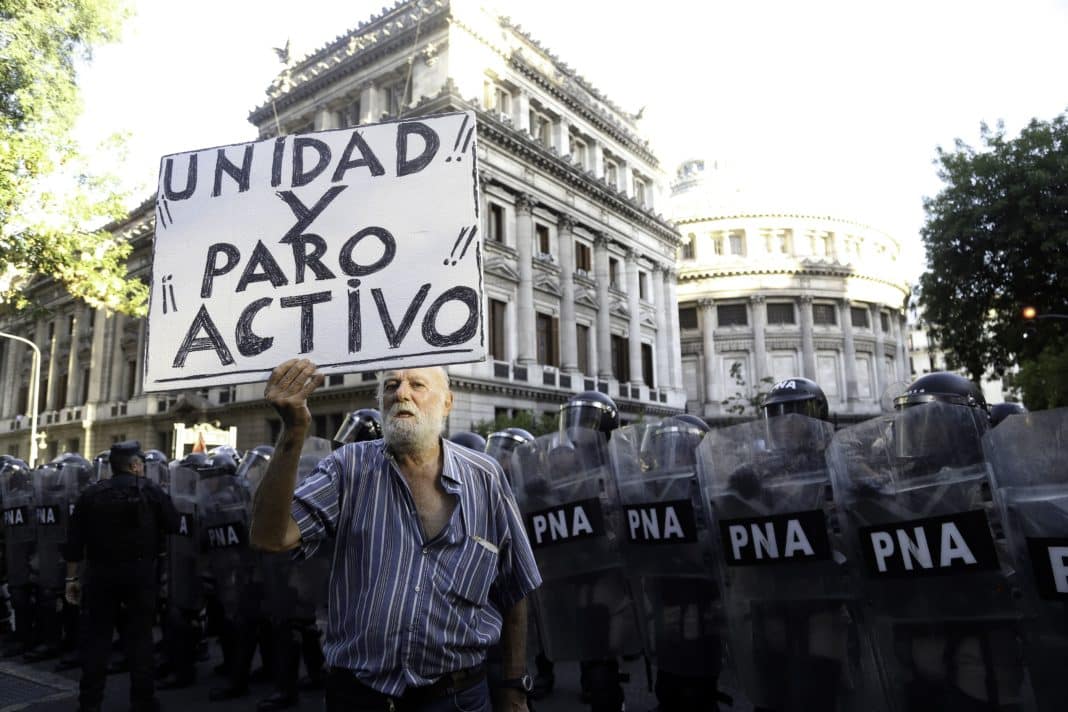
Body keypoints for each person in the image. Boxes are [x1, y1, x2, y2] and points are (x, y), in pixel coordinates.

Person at [250, 359, 541, 712]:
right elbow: (270, 537)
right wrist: (293, 432)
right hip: (360, 696)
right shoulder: (348, 467)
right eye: (390, 386)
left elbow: (515, 587)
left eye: (417, 385)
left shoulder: (486, 477)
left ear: (447, 402)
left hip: (458, 698)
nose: (401, 393)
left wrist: (514, 688)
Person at [64, 440, 179, 712]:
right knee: (140, 640)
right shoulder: (150, 491)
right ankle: (143, 701)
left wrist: (71, 580)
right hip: (140, 577)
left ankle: (89, 704)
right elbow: (174, 524)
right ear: (136, 465)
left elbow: (74, 543)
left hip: (99, 576)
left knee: (96, 642)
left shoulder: (91, 494)